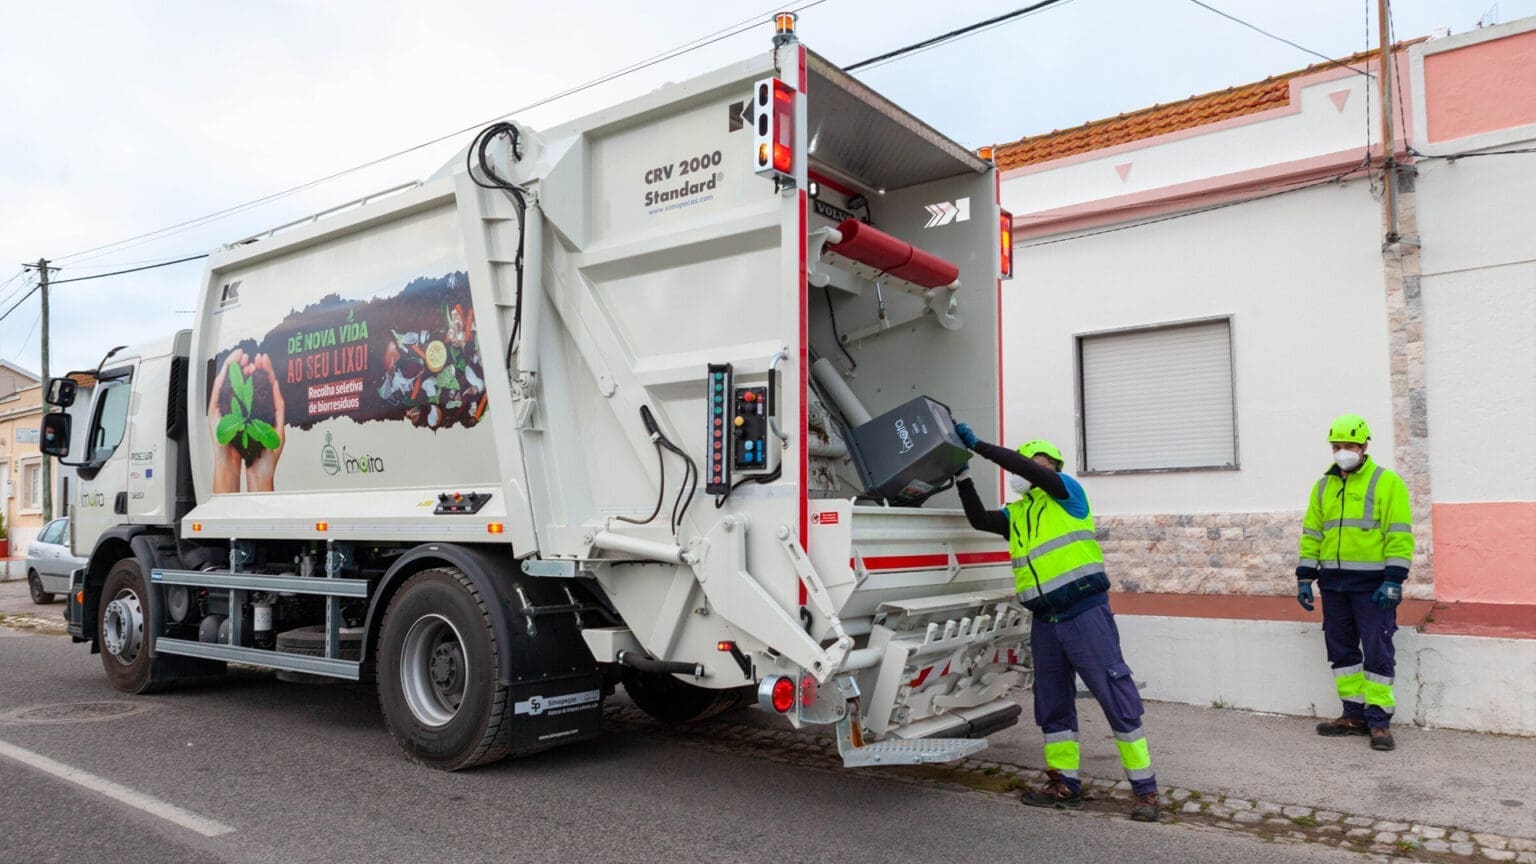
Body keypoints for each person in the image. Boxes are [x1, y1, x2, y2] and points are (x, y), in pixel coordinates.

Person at [952, 422, 1160, 823]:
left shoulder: (1068, 494)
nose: (1027, 471)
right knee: (1052, 704)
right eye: (1026, 464)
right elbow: (978, 519)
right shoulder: (1018, 513)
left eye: (1037, 464)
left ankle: (1145, 790)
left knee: (1115, 698)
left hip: (1085, 613)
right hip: (1045, 620)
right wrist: (962, 475)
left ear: (1052, 467)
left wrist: (979, 446)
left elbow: (1034, 473)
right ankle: (1064, 784)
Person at [1296, 413, 1412, 751]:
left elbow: (1399, 535)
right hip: (1333, 586)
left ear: (1364, 446)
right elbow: (1312, 534)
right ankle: (1353, 715)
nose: (1341, 451)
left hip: (1373, 587)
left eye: (1348, 445)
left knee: (1377, 651)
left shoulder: (1387, 482)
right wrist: (1305, 576)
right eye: (1336, 445)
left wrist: (1394, 579)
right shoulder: (1323, 486)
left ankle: (1379, 722)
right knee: (1341, 650)